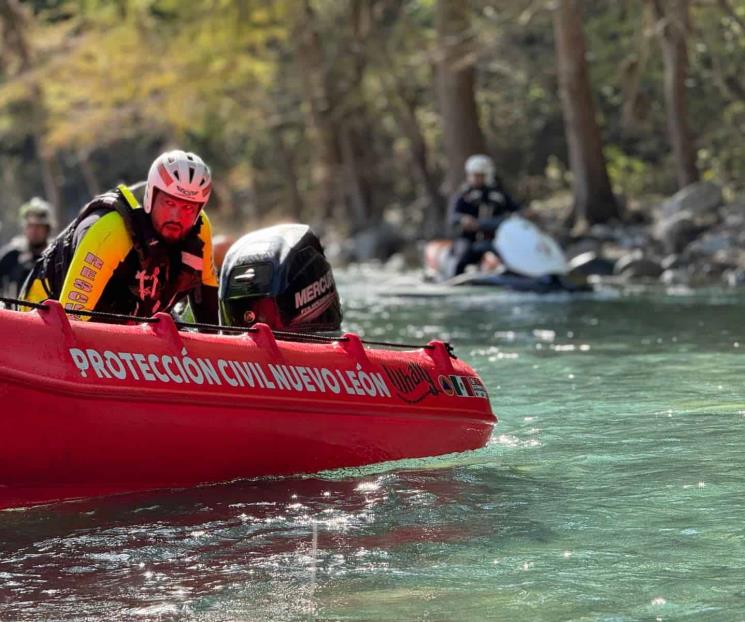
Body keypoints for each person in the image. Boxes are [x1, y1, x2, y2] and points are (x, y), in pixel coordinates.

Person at [23, 150, 219, 324]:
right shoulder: (112, 229)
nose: (177, 217)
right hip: (44, 310)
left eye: (188, 208)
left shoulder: (200, 229)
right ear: (151, 195)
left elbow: (209, 312)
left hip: (126, 319)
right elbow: (70, 319)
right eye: (169, 203)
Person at [448, 154, 522, 276]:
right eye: (473, 175)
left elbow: (517, 209)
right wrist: (463, 219)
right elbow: (452, 217)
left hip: (494, 239)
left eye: (479, 175)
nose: (476, 179)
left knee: (509, 253)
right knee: (462, 255)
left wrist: (527, 213)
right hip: (469, 239)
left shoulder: (499, 194)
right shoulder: (464, 195)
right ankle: (453, 278)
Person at [0, 198, 53, 298]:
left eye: (38, 226)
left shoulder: (56, 257)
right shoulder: (11, 256)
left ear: (47, 229)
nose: (34, 231)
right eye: (30, 226)